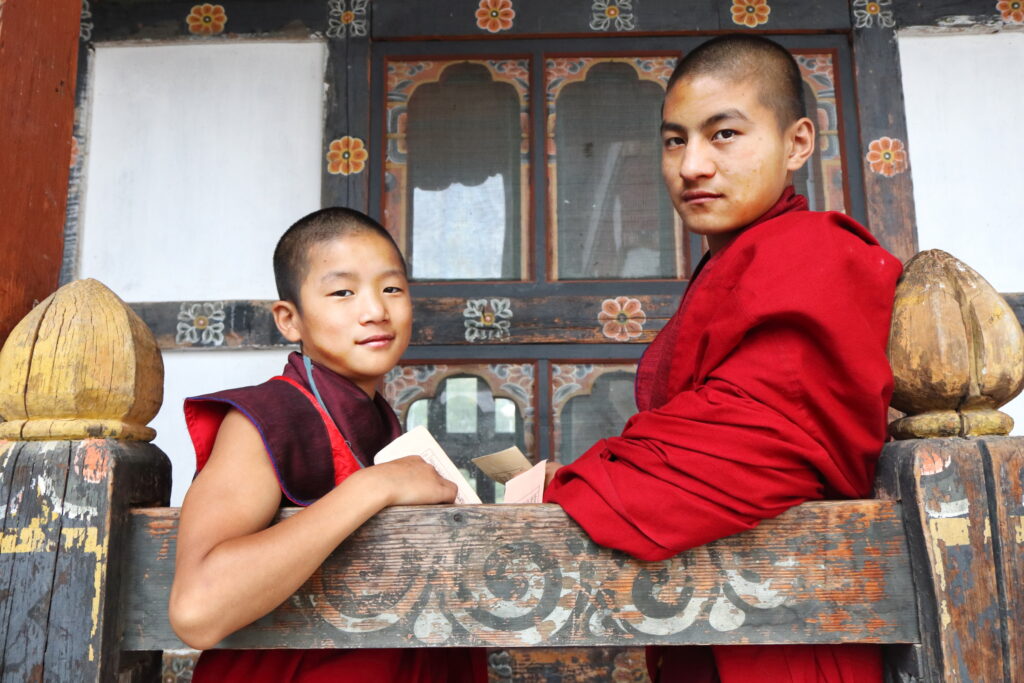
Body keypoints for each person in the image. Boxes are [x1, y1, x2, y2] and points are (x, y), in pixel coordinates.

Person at [543, 35, 903, 683]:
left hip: (795, 630)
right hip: (715, 617)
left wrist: (566, 486)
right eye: (675, 140)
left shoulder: (816, 253)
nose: (692, 166)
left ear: (798, 142)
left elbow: (754, 443)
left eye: (724, 134)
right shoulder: (735, 264)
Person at [168, 208, 486, 682]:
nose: (376, 310)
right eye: (343, 292)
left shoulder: (379, 421)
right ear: (289, 320)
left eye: (391, 288)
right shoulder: (266, 419)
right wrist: (371, 489)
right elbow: (197, 610)